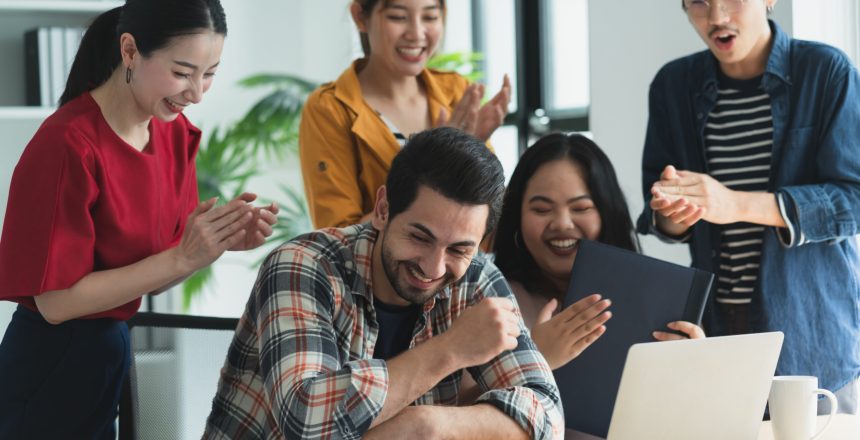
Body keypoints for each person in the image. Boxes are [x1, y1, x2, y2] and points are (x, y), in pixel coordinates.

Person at [0, 1, 279, 438]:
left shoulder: (174, 135)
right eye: (183, 72)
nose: (197, 92)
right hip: (48, 367)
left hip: (110, 356)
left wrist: (209, 247)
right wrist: (181, 259)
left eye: (209, 74)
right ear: (130, 51)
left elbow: (156, 275)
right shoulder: (66, 145)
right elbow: (55, 304)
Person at [204, 127, 563, 440]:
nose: (434, 266)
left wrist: (428, 427)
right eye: (420, 237)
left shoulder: (477, 280)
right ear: (382, 209)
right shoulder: (303, 265)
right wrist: (449, 350)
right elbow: (308, 421)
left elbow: (547, 418)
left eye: (458, 248)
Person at [637, 0, 860, 414]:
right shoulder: (673, 85)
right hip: (714, 333)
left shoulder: (826, 71)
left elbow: (854, 199)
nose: (717, 17)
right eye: (700, 3)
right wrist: (672, 209)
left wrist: (735, 204)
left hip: (812, 331)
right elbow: (663, 219)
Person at [492, 132, 704, 375]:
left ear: (607, 212)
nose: (562, 223)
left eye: (581, 208)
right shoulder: (490, 299)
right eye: (541, 209)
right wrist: (536, 360)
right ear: (515, 215)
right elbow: (461, 403)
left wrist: (696, 364)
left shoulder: (657, 302)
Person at [299, 0, 511, 229]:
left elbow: (491, 212)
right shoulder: (331, 108)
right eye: (398, 17)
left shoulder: (456, 93)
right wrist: (442, 162)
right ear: (360, 16)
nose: (416, 34)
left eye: (429, 17)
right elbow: (338, 237)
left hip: (463, 262)